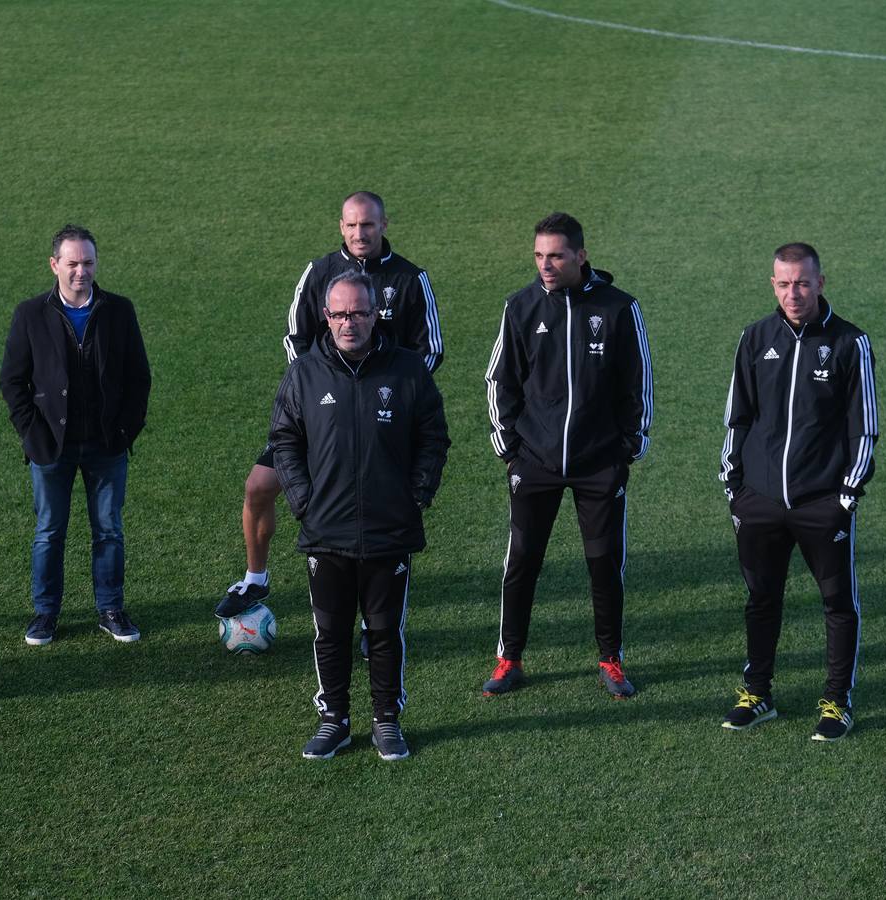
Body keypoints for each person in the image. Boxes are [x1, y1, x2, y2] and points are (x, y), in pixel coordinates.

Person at [215, 191, 444, 621]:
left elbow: (430, 349)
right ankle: (255, 577)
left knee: (365, 512)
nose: (361, 233)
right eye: (352, 225)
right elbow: (294, 338)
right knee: (259, 486)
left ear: (384, 225)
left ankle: (369, 618)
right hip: (317, 414)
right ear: (341, 226)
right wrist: (317, 394)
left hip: (380, 419)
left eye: (369, 225)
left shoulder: (411, 279)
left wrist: (391, 391)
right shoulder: (319, 272)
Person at [270, 270, 449, 761]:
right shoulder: (304, 374)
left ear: (376, 315)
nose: (350, 322)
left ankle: (387, 721)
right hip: (325, 530)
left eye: (359, 313)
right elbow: (284, 439)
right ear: (325, 317)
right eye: (340, 314)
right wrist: (303, 501)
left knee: (385, 632)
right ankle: (335, 721)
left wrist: (416, 495)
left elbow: (433, 438)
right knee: (330, 633)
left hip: (389, 530)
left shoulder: (408, 371)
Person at [481, 213, 654, 700]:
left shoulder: (620, 308)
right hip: (533, 461)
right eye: (538, 255)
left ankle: (610, 660)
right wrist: (508, 447)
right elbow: (500, 380)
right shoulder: (520, 306)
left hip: (600, 464)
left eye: (555, 255)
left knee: (604, 564)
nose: (545, 265)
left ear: (581, 254)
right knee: (522, 563)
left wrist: (628, 449)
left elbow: (638, 382)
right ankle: (508, 659)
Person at [718, 242, 878, 742]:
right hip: (760, 502)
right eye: (784, 284)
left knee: (837, 603)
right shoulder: (755, 337)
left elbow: (864, 428)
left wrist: (846, 495)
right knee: (761, 599)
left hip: (822, 503)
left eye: (803, 283)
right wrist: (734, 488)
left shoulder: (851, 343)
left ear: (821, 282)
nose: (794, 293)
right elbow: (736, 416)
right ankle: (757, 693)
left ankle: (836, 702)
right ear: (773, 284)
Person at [0, 225, 151, 646]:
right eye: (72, 263)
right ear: (54, 265)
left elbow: (139, 378)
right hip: (52, 448)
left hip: (106, 445)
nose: (81, 271)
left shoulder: (119, 310)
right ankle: (45, 614)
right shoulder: (30, 314)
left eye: (88, 262)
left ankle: (110, 608)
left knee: (109, 530)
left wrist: (124, 431)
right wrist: (32, 434)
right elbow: (12, 382)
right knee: (50, 531)